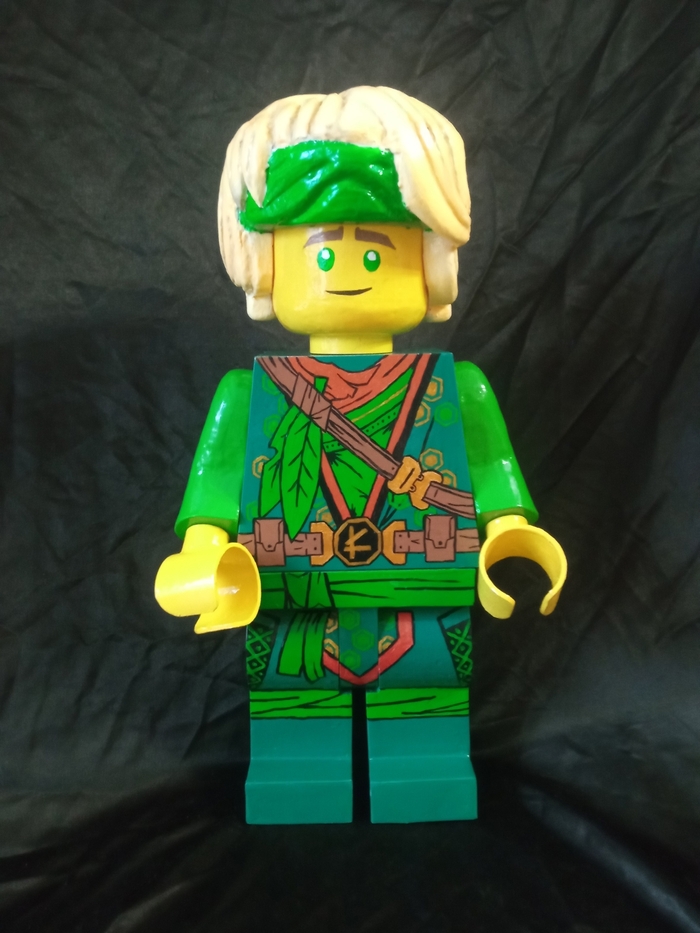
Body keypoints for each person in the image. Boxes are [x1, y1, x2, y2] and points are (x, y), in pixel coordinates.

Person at [155, 86, 567, 824]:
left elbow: (493, 476)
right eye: (319, 248)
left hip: (421, 586)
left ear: (431, 262)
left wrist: (509, 533)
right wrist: (202, 551)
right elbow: (214, 493)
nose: (347, 268)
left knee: (426, 699)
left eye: (376, 248)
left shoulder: (458, 390)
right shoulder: (248, 397)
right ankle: (297, 778)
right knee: (293, 703)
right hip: (289, 587)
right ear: (267, 263)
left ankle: (424, 775)